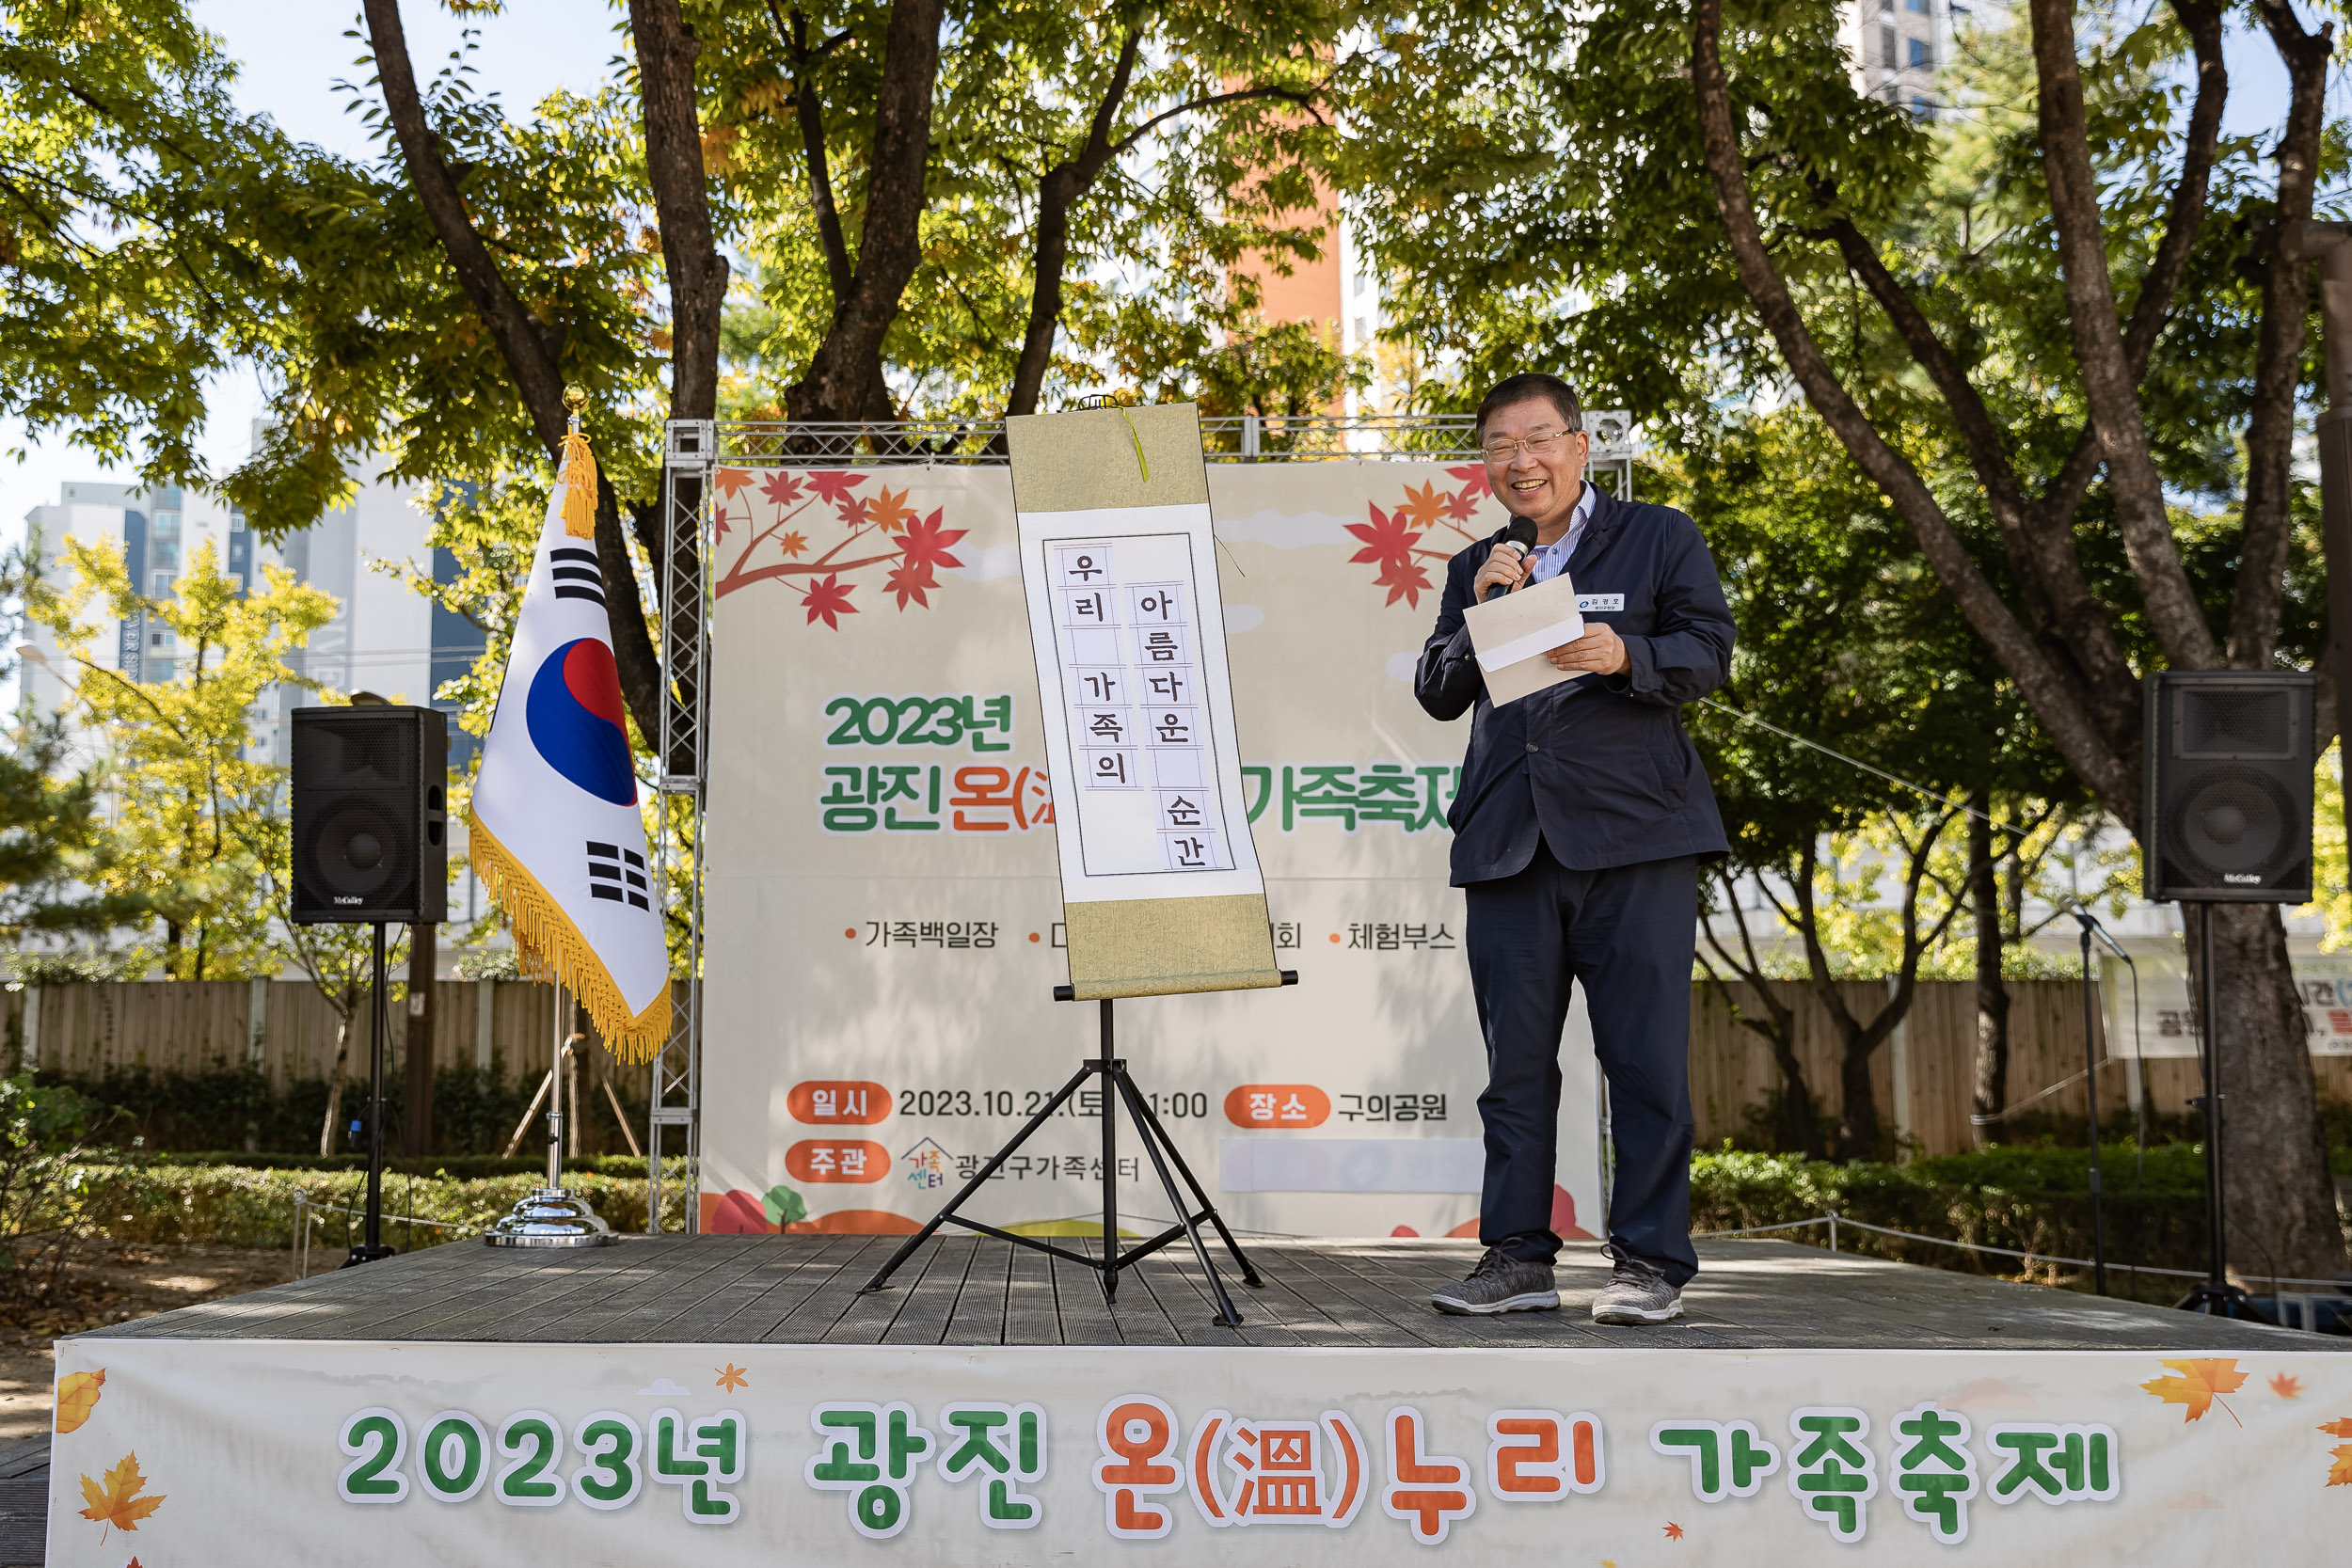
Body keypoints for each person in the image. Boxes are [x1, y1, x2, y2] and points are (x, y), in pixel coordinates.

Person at [1414, 372, 1733, 1324]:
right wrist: (1477, 613)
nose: (1523, 460)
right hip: (1511, 842)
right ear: (1486, 464)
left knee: (1643, 1062)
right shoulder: (1479, 558)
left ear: (1579, 444)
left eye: (1539, 438)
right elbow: (1435, 689)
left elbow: (1708, 650)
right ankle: (1515, 1259)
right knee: (1513, 1068)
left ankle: (1647, 1263)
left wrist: (1625, 654)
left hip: (1636, 836)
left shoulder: (1659, 536)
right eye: (1502, 446)